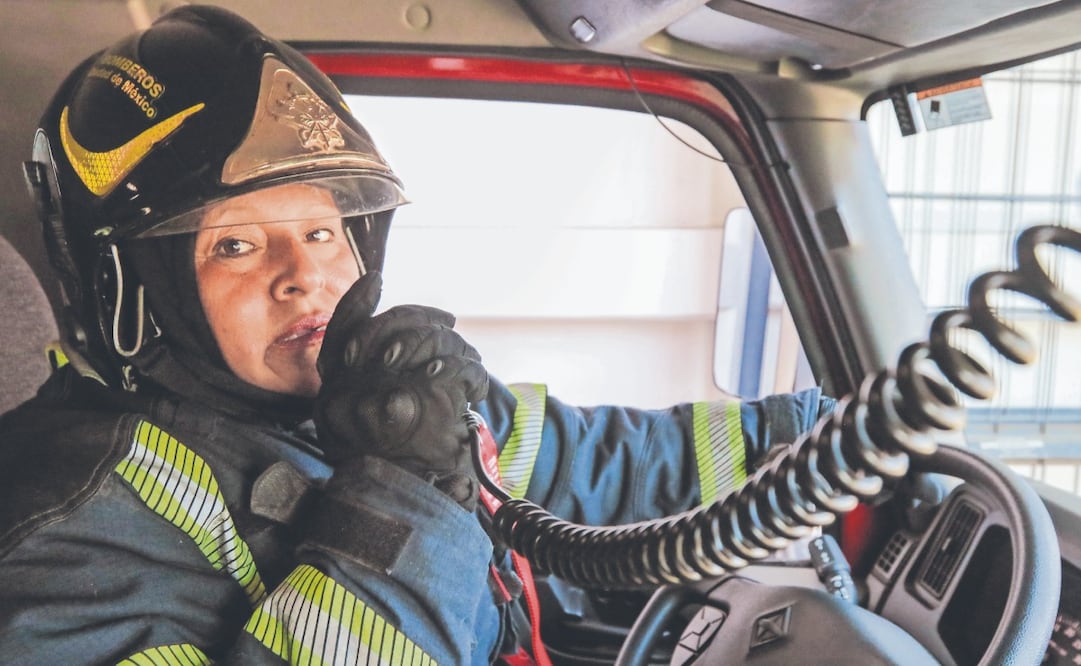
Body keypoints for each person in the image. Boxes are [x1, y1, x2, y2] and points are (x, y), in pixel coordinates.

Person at [0, 5, 834, 664]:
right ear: (133, 292)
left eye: (324, 232)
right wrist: (402, 490)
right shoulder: (59, 536)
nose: (308, 274)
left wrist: (823, 441)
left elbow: (586, 459)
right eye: (237, 244)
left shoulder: (368, 397)